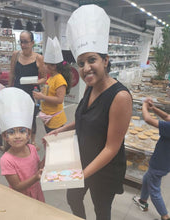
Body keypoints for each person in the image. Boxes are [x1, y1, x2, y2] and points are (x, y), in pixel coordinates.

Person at [48, 5, 132, 220]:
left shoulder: (120, 97)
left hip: (104, 168)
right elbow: (84, 119)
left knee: (101, 210)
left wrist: (81, 176)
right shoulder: (89, 86)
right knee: (73, 199)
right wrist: (61, 130)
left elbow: (112, 148)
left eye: (92, 60)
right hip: (81, 158)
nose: (86, 68)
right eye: (82, 62)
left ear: (105, 60)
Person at [0, 87, 45, 202]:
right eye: (11, 132)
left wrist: (48, 153)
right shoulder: (6, 160)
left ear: (29, 134)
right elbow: (16, 186)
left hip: (36, 192)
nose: (17, 136)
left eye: (22, 131)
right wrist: (36, 177)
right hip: (21, 198)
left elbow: (39, 168)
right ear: (5, 137)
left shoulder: (32, 148)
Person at [133, 97, 170, 220]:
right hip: (165, 161)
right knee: (146, 178)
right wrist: (153, 108)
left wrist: (144, 105)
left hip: (160, 162)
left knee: (154, 190)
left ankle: (164, 215)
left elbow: (148, 120)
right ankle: (143, 201)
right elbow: (166, 117)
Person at [8, 30, 46, 149]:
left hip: (32, 93)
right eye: (21, 42)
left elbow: (44, 78)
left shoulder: (39, 58)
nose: (23, 45)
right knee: (18, 117)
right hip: (17, 92)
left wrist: (34, 81)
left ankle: (32, 141)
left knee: (31, 118)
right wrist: (9, 90)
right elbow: (12, 74)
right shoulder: (16, 55)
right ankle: (20, 139)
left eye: (26, 42)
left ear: (32, 43)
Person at [33, 37, 71, 133]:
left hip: (55, 119)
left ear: (53, 66)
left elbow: (59, 99)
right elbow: (48, 92)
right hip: (48, 117)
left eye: (46, 64)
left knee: (55, 142)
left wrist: (43, 97)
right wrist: (40, 94)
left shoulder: (59, 80)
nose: (44, 66)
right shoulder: (50, 78)